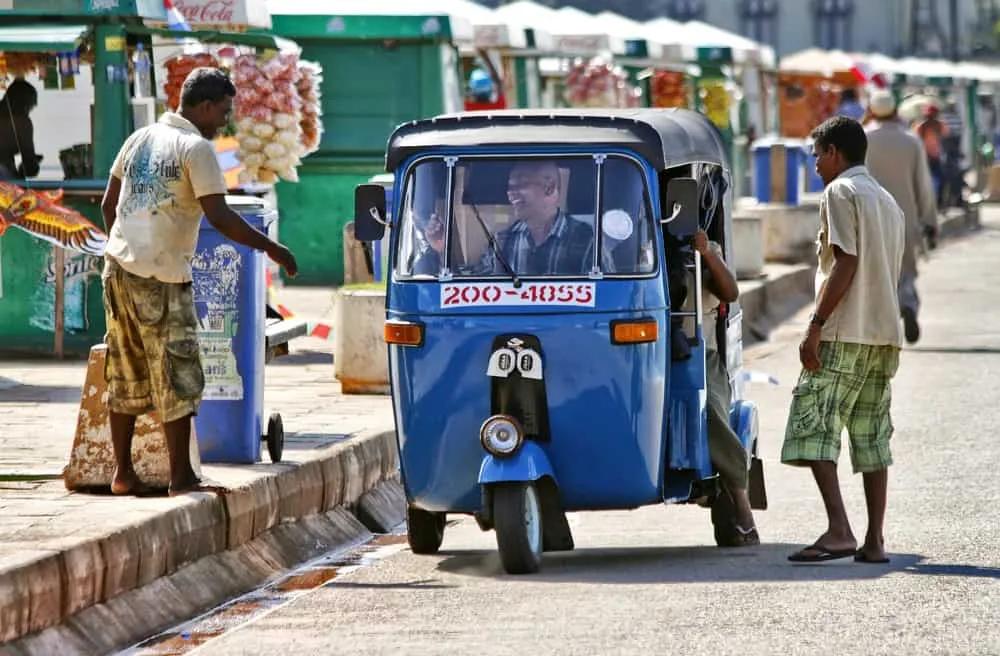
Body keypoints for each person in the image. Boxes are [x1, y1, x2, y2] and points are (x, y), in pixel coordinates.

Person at [100, 68, 297, 496]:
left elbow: (109, 204)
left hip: (116, 269)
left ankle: (122, 474)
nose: (224, 121)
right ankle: (181, 477)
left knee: (125, 370)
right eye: (223, 112)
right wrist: (274, 249)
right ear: (204, 106)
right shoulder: (197, 148)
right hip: (162, 276)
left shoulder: (139, 139)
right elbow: (221, 217)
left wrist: (127, 243)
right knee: (179, 374)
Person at [782, 116, 905, 564]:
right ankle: (874, 540)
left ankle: (838, 530)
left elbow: (846, 262)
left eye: (817, 154)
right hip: (882, 334)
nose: (815, 164)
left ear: (835, 152)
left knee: (812, 422)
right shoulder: (887, 201)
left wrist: (815, 325)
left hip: (845, 329)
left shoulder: (840, 192)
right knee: (871, 436)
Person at [692, 228, 759, 546]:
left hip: (696, 354)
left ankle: (743, 510)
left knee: (712, 414)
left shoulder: (699, 245)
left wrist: (706, 253)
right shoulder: (622, 238)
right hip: (641, 349)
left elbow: (730, 292)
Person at [417, 161, 597, 276]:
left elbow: (606, 295)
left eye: (521, 184)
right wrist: (441, 249)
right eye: (510, 186)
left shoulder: (586, 240)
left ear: (549, 188)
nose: (510, 193)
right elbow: (470, 285)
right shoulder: (503, 240)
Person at [864, 90, 938, 344]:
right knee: (905, 271)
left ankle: (881, 325)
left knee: (877, 272)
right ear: (896, 110)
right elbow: (923, 186)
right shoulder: (911, 140)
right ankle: (907, 304)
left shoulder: (863, 139)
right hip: (906, 219)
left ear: (871, 110)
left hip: (871, 218)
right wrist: (929, 221)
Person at [0, 78, 42, 179]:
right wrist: (34, 163)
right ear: (25, 104)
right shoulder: (22, 123)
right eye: (31, 106)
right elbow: (30, 167)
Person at [914, 104, 948, 203]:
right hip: (926, 156)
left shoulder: (937, 125)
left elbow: (945, 135)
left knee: (940, 179)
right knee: (929, 179)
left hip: (934, 156)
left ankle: (938, 201)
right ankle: (931, 201)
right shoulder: (922, 126)